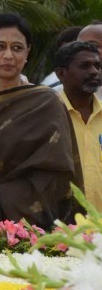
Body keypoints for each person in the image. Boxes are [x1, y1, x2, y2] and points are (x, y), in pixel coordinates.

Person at [0, 13, 79, 225]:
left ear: (27, 52)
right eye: (0, 47)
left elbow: (56, 174)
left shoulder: (47, 102)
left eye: (17, 48)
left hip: (33, 226)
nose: (8, 55)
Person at [55, 41, 102, 211]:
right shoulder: (48, 117)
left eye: (97, 65)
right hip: (64, 227)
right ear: (61, 74)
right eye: (85, 66)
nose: (94, 71)